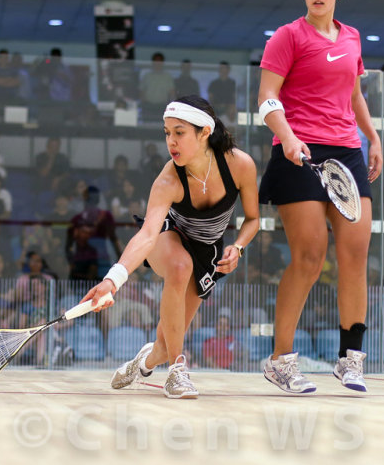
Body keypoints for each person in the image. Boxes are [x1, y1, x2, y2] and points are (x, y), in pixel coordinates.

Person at [255, 0, 382, 393]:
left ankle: (351, 361)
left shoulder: (352, 38)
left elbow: (354, 94)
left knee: (355, 257)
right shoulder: (288, 37)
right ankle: (280, 360)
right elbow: (267, 99)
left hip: (347, 152)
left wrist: (374, 138)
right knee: (309, 259)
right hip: (299, 153)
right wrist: (288, 137)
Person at [80, 95, 260, 398]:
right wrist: (113, 279)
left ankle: (145, 362)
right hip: (169, 236)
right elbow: (148, 234)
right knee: (179, 266)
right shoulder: (168, 179)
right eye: (167, 133)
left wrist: (239, 247)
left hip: (208, 250)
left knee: (164, 345)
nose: (171, 142)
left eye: (179, 132)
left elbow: (253, 219)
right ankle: (178, 371)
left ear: (204, 132)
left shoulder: (240, 165)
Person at [139, 52, 176, 120]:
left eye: (160, 61)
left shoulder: (167, 77)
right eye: (156, 61)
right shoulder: (147, 76)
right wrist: (143, 105)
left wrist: (172, 109)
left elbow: (172, 93)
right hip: (148, 107)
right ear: (153, 62)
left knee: (160, 128)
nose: (158, 64)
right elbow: (142, 92)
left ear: (162, 63)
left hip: (162, 107)